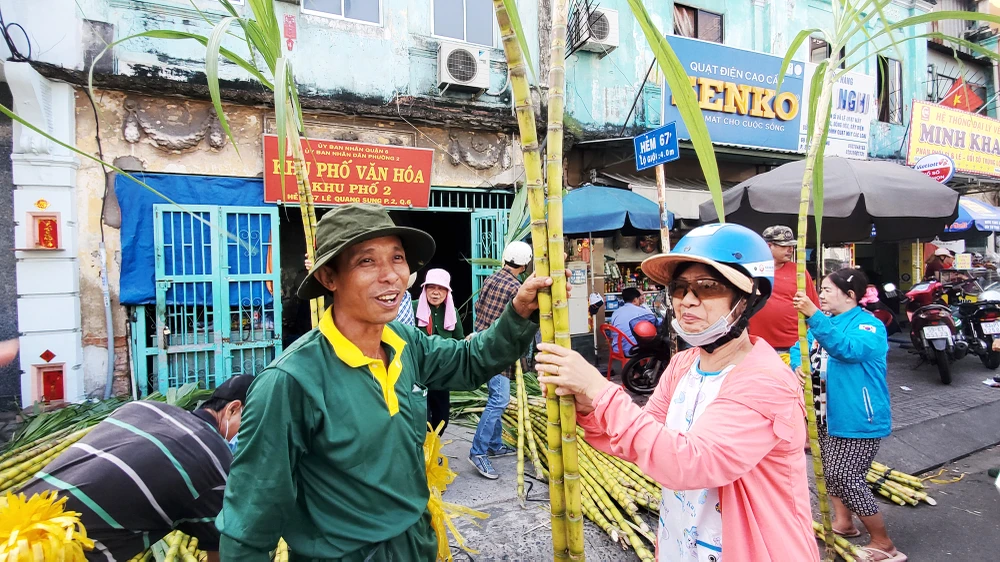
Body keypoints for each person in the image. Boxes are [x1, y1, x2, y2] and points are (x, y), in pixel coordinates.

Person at [217, 204, 551, 561]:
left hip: (415, 547)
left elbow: (469, 361)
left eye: (397, 258)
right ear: (329, 278)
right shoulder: (291, 382)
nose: (391, 275)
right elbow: (250, 521)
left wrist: (517, 312)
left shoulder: (405, 342)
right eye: (367, 261)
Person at [534, 223, 818, 562]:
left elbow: (689, 463)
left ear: (749, 298)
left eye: (707, 286)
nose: (688, 301)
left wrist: (600, 388)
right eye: (679, 288)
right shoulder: (684, 364)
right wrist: (589, 407)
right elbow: (642, 437)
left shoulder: (766, 381)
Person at [18, 375, 255, 562]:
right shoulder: (214, 459)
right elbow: (224, 552)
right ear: (233, 409)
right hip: (55, 552)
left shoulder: (141, 408)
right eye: (250, 424)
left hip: (13, 522)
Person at [792, 269, 904, 562]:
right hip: (826, 414)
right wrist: (796, 366)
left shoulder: (870, 326)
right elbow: (798, 347)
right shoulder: (825, 322)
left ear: (850, 295)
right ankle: (845, 523)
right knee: (831, 474)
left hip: (858, 418)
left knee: (846, 476)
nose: (822, 295)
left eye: (828, 290)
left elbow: (847, 350)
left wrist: (814, 316)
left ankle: (884, 543)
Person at [467, 240, 533, 479]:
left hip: (481, 345)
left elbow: (479, 307)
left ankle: (494, 444)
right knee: (499, 400)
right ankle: (478, 452)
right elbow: (516, 325)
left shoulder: (490, 279)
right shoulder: (517, 288)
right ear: (525, 264)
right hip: (498, 350)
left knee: (495, 397)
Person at [749, 225, 819, 363]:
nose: (790, 249)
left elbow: (814, 308)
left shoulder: (799, 271)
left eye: (791, 246)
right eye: (784, 246)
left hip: (794, 346)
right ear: (769, 246)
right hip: (757, 345)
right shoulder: (753, 271)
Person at [416, 268, 465, 433]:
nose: (436, 292)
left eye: (441, 288)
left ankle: (432, 449)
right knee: (421, 418)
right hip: (418, 374)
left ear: (447, 291)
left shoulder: (451, 312)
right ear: (425, 289)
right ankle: (421, 455)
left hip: (442, 375)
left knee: (441, 418)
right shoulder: (412, 307)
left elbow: (459, 341)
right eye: (432, 287)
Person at [610, 286, 657, 356]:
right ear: (635, 300)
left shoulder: (616, 312)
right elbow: (657, 321)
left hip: (617, 348)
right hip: (632, 349)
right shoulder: (642, 311)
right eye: (639, 299)